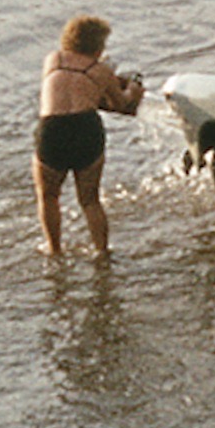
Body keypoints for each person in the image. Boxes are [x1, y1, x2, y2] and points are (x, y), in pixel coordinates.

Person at [33, 14, 143, 257]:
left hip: (52, 130)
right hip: (85, 129)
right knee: (90, 200)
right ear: (98, 45)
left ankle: (54, 250)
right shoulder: (100, 71)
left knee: (49, 196)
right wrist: (133, 89)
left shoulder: (53, 59)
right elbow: (122, 105)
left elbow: (68, 85)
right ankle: (101, 252)